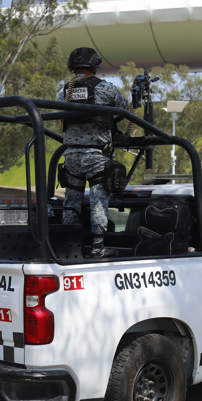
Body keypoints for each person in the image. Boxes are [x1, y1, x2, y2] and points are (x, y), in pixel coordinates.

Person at [57, 46, 135, 258]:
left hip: (71, 155)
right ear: (95, 66)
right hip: (96, 156)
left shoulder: (65, 91)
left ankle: (69, 246)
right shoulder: (106, 88)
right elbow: (124, 107)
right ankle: (98, 248)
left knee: (71, 200)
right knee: (99, 200)